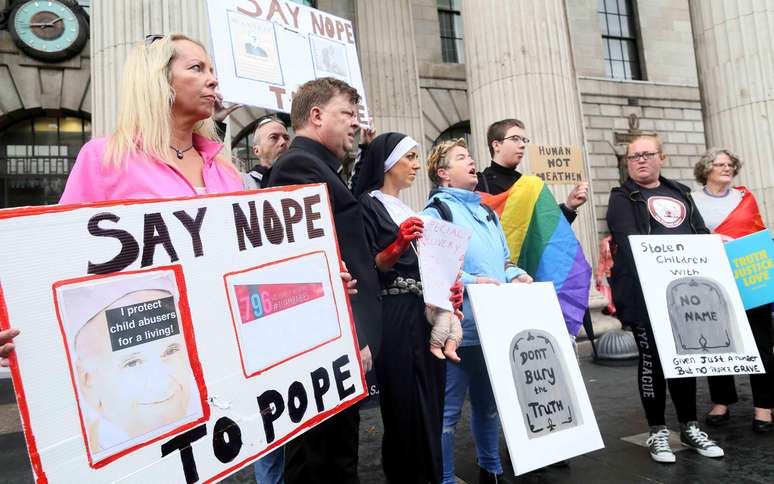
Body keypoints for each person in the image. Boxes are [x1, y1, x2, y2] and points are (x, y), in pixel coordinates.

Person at [265, 77, 381, 484]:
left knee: (336, 460)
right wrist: (355, 335)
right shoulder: (297, 166)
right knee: (321, 464)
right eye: (347, 112)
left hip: (335, 343)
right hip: (324, 345)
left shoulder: (322, 167)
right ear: (316, 115)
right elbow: (298, 268)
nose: (355, 122)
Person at [606, 134, 724, 463]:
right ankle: (657, 430)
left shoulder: (681, 193)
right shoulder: (621, 197)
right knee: (653, 360)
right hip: (643, 295)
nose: (640, 160)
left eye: (647, 154)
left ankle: (689, 426)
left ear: (662, 157)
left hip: (684, 294)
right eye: (634, 157)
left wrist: (714, 246)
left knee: (684, 361)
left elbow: (699, 232)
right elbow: (630, 243)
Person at [353, 132, 461, 483]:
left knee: (430, 401)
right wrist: (398, 244)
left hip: (423, 312)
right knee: (404, 405)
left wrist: (449, 286)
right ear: (387, 163)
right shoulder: (368, 205)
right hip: (395, 313)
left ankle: (430, 475)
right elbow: (370, 265)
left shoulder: (409, 210)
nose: (416, 165)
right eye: (409, 157)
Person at [423, 138, 532, 484]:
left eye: (470, 156)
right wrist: (474, 281)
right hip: (459, 331)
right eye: (461, 157)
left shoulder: (487, 212)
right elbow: (434, 269)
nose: (471, 161)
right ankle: (445, 478)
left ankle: (491, 470)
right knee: (448, 414)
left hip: (493, 329)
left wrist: (516, 275)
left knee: (489, 407)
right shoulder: (435, 213)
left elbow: (504, 261)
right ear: (443, 173)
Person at [690, 148, 774, 433]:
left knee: (761, 342)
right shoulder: (692, 201)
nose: (726, 168)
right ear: (706, 169)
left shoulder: (744, 197)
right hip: (711, 278)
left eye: (730, 164)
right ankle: (721, 401)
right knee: (716, 341)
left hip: (749, 278)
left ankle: (764, 406)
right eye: (719, 164)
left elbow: (758, 232)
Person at [475, 118, 588, 218]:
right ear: (496, 145)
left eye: (524, 140)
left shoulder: (528, 184)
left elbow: (547, 227)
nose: (522, 145)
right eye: (515, 138)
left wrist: (569, 206)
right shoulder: (478, 184)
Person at [242, 115, 290, 189]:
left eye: (286, 138)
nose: (283, 142)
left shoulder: (303, 177)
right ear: (257, 151)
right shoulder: (243, 183)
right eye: (274, 137)